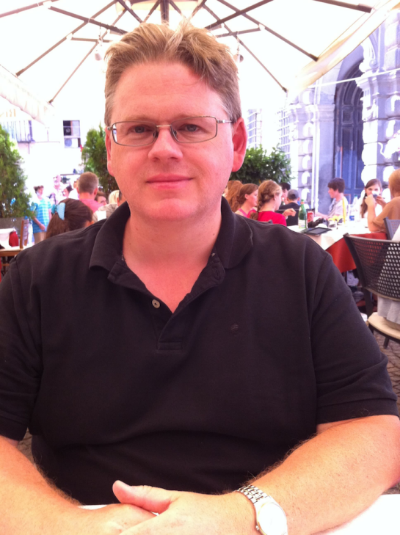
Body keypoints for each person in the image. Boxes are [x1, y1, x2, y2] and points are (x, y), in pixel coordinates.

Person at [0, 20, 399, 535]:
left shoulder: (301, 269)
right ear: (111, 152)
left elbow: (374, 432)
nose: (164, 148)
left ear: (236, 143)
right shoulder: (38, 279)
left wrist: (240, 514)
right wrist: (65, 526)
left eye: (191, 127)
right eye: (139, 129)